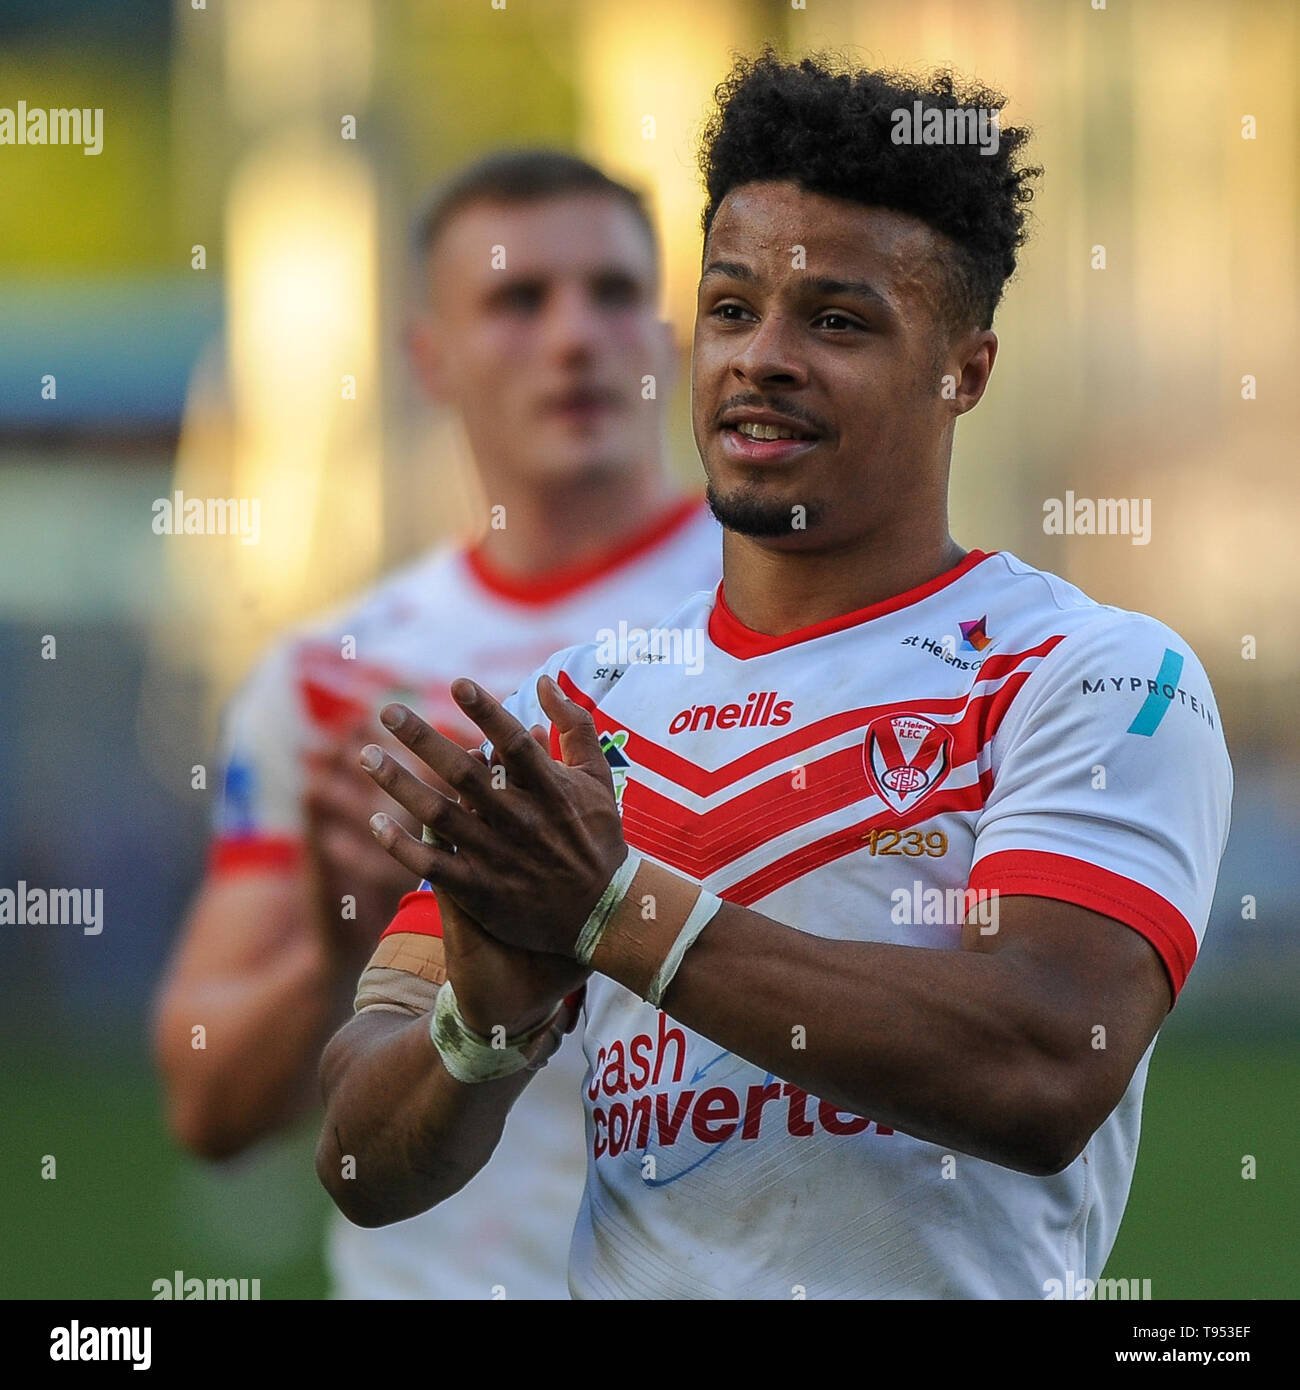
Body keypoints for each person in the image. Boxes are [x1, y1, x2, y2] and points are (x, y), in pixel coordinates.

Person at [317, 53, 1232, 1299]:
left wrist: (609, 914)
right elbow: (361, 1162)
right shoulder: (576, 711)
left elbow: (1044, 1064)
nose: (762, 359)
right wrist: (483, 1031)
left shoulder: (1095, 675)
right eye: (733, 309)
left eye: (839, 322)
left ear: (965, 369)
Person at [152, 149, 720, 1299]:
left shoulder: (792, 620)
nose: (574, 336)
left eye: (613, 294)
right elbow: (208, 1106)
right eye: (518, 299)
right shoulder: (335, 679)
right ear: (429, 356)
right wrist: (333, 940)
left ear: (663, 338)